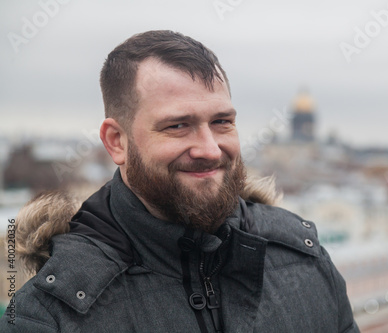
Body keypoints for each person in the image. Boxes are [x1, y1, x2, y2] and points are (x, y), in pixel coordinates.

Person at [1, 30, 359, 333]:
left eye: (222, 122)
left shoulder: (306, 259)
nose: (209, 149)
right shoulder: (50, 313)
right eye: (177, 126)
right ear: (117, 141)